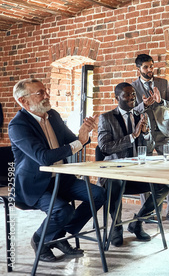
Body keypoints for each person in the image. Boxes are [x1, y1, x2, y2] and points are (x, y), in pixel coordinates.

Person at [8, 78, 106, 262]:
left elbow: (73, 141)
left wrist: (83, 133)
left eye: (45, 91)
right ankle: (39, 240)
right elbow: (43, 157)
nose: (46, 96)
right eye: (40, 93)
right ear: (23, 101)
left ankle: (59, 236)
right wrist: (79, 142)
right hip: (35, 185)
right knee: (62, 210)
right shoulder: (18, 125)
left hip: (61, 179)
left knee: (99, 194)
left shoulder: (53, 115)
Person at [98, 82, 169, 247]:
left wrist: (145, 134)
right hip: (115, 172)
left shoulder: (142, 115)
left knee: (163, 187)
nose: (131, 98)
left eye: (133, 94)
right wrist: (133, 135)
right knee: (114, 185)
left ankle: (137, 222)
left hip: (138, 172)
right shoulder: (107, 118)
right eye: (127, 95)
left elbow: (150, 147)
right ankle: (116, 228)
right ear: (117, 98)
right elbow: (105, 148)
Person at [131, 54, 169, 225]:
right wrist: (143, 105)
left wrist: (161, 102)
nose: (150, 70)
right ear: (138, 68)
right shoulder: (132, 87)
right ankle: (147, 212)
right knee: (144, 172)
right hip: (145, 134)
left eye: (151, 66)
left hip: (164, 132)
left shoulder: (163, 83)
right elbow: (131, 111)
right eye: (146, 67)